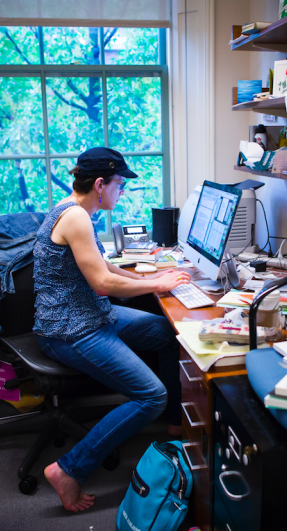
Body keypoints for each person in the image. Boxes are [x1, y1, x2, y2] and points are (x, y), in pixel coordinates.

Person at [32, 147, 190, 513]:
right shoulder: (76, 218)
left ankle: (174, 425)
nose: (122, 193)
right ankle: (68, 469)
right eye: (120, 185)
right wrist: (156, 287)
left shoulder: (74, 209)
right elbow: (102, 283)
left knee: (166, 334)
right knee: (151, 394)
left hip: (91, 315)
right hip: (69, 330)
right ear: (100, 184)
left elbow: (102, 265)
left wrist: (148, 277)